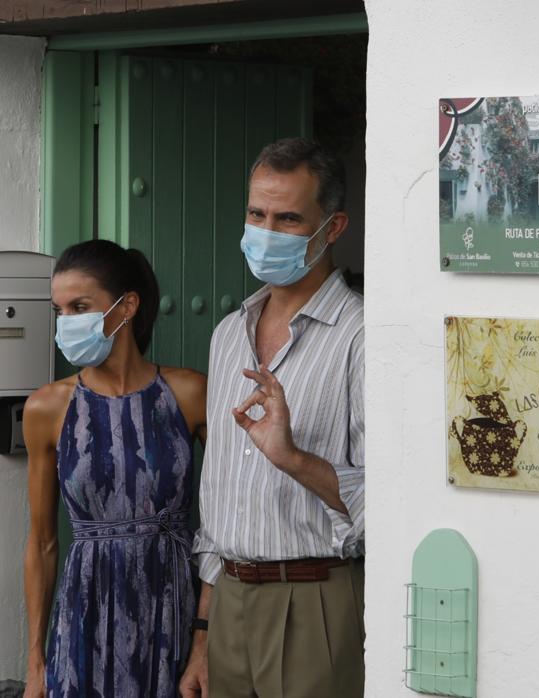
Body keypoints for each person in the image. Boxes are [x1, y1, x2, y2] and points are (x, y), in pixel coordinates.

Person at [180, 138, 365, 698]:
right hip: (230, 601)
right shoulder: (227, 333)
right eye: (256, 214)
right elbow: (219, 499)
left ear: (331, 229)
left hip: (316, 599)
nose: (266, 231)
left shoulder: (362, 337)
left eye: (287, 219)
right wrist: (204, 635)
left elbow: (392, 500)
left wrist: (292, 459)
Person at [22, 239, 208, 698]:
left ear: (126, 306)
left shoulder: (188, 393)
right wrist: (35, 661)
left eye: (79, 307)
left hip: (172, 608)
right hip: (85, 611)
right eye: (59, 310)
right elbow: (42, 542)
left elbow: (228, 522)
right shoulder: (47, 407)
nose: (66, 323)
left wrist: (204, 639)